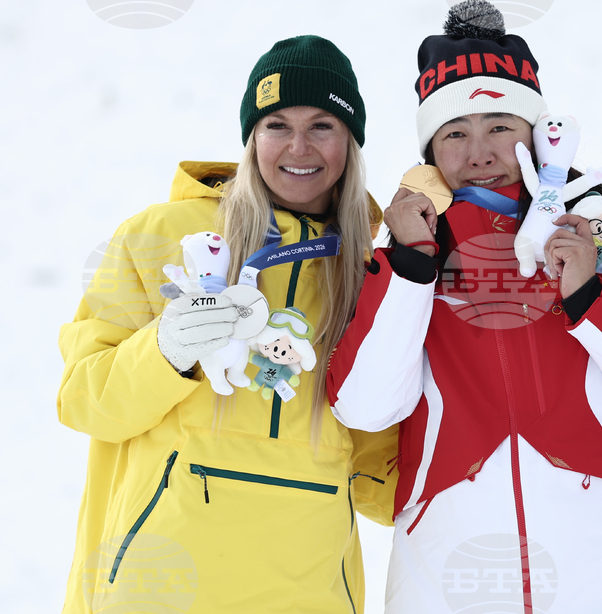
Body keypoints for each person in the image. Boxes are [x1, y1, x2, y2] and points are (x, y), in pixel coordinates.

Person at [327, 0, 602, 614]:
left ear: (538, 135)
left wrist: (593, 297)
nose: (479, 151)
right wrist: (409, 265)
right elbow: (366, 405)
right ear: (430, 149)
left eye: (500, 127)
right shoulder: (407, 252)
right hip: (451, 567)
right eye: (455, 133)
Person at [57, 35, 397, 613]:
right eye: (275, 125)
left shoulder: (372, 271)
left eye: (323, 125)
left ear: (350, 142)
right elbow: (84, 402)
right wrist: (164, 350)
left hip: (309, 588)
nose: (298, 146)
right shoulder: (157, 235)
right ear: (250, 137)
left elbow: (379, 475)